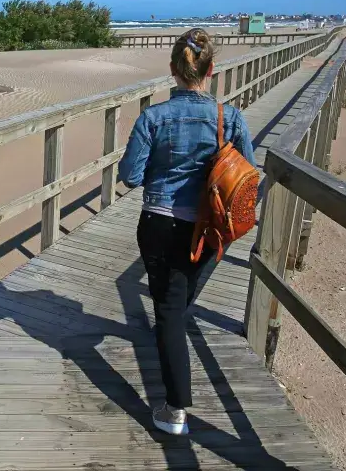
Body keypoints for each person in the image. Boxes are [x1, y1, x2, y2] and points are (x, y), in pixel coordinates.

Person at [116, 27, 256, 436]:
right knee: (175, 301)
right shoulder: (229, 118)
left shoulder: (153, 117)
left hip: (159, 221)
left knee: (170, 309)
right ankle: (171, 325)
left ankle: (175, 409)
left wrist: (159, 173)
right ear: (211, 70)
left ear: (173, 70)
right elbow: (248, 178)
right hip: (210, 226)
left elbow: (129, 176)